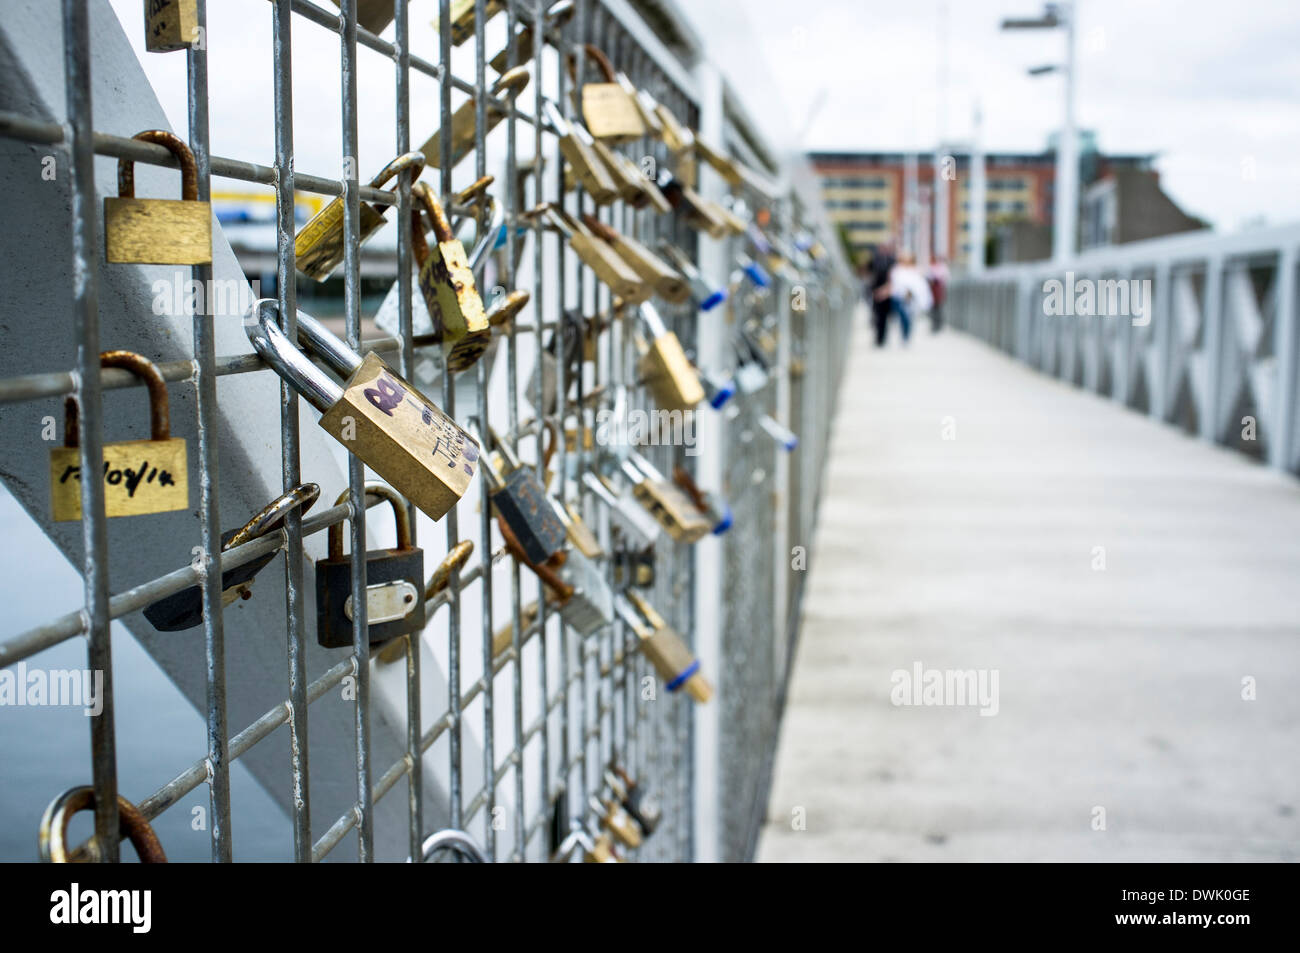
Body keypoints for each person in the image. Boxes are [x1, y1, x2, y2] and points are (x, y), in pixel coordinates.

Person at [888, 252, 931, 345]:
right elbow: (894, 285)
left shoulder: (916, 271)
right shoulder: (897, 271)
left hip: (912, 299)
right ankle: (904, 336)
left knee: (910, 318)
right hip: (899, 298)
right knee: (903, 317)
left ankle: (907, 336)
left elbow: (920, 287)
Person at [867, 243, 897, 347]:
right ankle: (878, 338)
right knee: (877, 316)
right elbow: (870, 275)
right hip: (876, 292)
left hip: (887, 293)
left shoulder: (892, 261)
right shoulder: (875, 261)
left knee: (885, 317)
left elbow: (893, 278)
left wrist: (885, 291)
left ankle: (882, 338)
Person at [927, 257, 949, 333]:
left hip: (939, 290)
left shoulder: (943, 268)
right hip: (933, 291)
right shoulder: (932, 268)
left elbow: (945, 278)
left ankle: (938, 325)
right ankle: (934, 324)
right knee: (933, 309)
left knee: (939, 308)